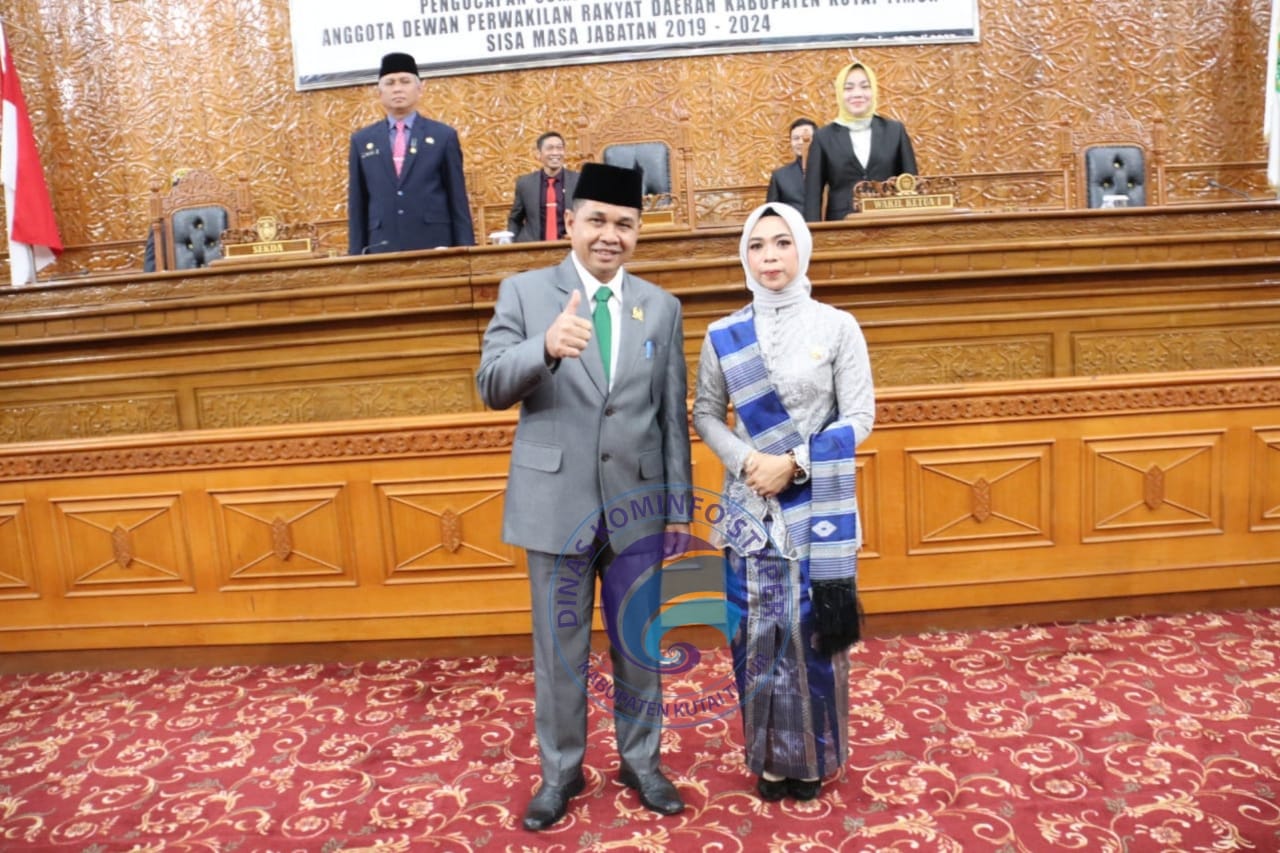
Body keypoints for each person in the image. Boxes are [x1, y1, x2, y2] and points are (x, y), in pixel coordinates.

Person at [476, 162, 692, 832]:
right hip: (555, 507)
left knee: (639, 646)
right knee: (559, 652)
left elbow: (671, 415)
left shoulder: (661, 306)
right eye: (596, 220)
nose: (609, 235)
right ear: (569, 223)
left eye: (624, 224)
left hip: (638, 508)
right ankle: (560, 772)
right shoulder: (524, 292)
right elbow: (490, 384)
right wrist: (543, 347)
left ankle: (642, 762)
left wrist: (678, 509)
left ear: (638, 232)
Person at [692, 202, 874, 802]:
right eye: (757, 245)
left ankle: (813, 758)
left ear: (802, 249)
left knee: (808, 636)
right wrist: (748, 461)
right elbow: (704, 414)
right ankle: (769, 759)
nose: (769, 256)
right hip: (747, 509)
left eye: (781, 243)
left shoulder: (837, 326)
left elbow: (859, 417)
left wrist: (793, 463)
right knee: (755, 637)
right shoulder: (722, 334)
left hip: (814, 510)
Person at [347, 52, 475, 254]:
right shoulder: (362, 140)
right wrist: (355, 255)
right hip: (381, 245)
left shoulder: (443, 136)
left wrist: (466, 250)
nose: (397, 88)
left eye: (405, 81)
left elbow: (457, 198)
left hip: (434, 243)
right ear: (379, 92)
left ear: (419, 89)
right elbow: (357, 203)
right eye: (390, 83)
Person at [804, 59, 917, 222]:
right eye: (848, 88)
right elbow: (813, 196)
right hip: (841, 226)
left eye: (865, 87)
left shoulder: (895, 131)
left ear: (874, 90)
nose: (857, 94)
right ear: (839, 93)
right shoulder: (823, 137)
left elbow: (910, 185)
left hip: (890, 223)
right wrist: (813, 233)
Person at [506, 131, 580, 243]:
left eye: (559, 148)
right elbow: (515, 219)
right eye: (550, 148)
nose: (555, 153)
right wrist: (512, 244)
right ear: (539, 154)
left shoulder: (578, 181)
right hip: (533, 248)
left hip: (569, 246)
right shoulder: (525, 183)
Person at [766, 118, 816, 213]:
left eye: (806, 138)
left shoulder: (832, 170)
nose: (801, 142)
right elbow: (771, 213)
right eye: (796, 138)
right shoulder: (780, 176)